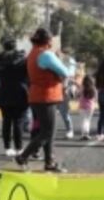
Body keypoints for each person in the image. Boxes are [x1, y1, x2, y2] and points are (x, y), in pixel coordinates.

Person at [16, 28, 73, 172]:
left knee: (48, 131)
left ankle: (49, 162)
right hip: (47, 95)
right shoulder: (46, 54)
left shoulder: (33, 53)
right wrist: (58, 57)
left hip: (37, 95)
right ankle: (23, 156)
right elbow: (66, 72)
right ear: (48, 41)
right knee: (48, 132)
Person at [0, 35, 28, 157]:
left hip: (4, 92)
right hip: (21, 92)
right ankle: (19, 148)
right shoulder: (23, 59)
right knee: (19, 122)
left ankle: (7, 147)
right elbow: (27, 75)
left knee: (6, 122)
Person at [57, 50, 75, 139]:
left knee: (64, 113)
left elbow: (69, 75)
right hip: (54, 92)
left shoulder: (70, 62)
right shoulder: (56, 63)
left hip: (64, 92)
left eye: (63, 53)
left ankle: (69, 130)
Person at [78, 75, 97, 140]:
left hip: (82, 106)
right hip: (90, 106)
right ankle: (87, 133)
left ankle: (83, 134)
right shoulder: (93, 88)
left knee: (83, 120)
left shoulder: (82, 88)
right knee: (88, 120)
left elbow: (78, 94)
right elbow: (95, 98)